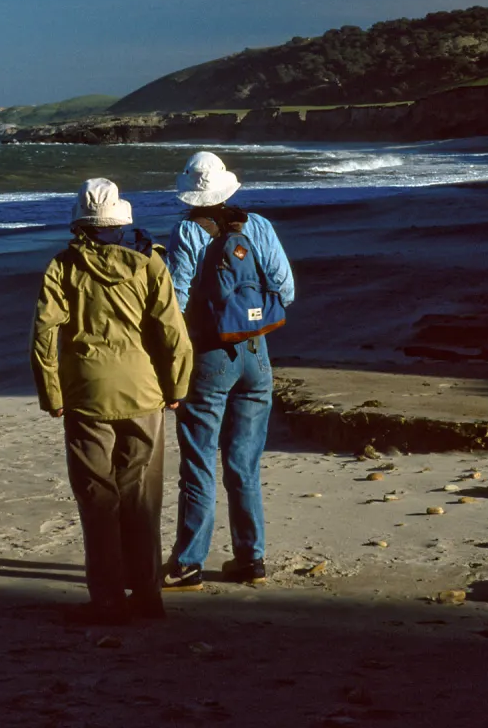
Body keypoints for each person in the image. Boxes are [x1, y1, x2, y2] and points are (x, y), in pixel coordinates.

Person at [31, 178, 193, 623]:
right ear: (121, 224)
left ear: (81, 225)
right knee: (141, 496)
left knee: (96, 500)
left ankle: (107, 600)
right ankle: (147, 595)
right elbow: (173, 333)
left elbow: (45, 336)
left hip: (85, 392)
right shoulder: (149, 265)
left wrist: (51, 393)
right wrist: (177, 387)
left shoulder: (62, 267)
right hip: (144, 390)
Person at [162, 152, 294, 591]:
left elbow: (175, 302)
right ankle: (250, 559)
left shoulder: (188, 230)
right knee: (244, 462)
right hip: (256, 353)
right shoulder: (257, 226)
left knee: (199, 461)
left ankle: (189, 563)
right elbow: (285, 290)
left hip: (210, 355)